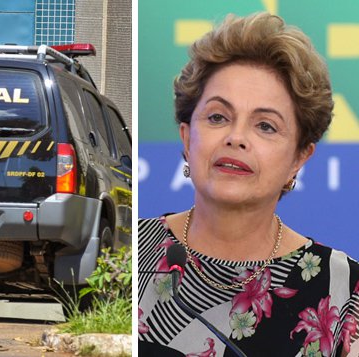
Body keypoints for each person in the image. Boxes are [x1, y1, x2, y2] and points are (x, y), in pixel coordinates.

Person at [137, 12, 359, 356]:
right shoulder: (131, 254)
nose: (236, 137)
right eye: (217, 117)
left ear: (299, 157)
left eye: (266, 126)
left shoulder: (343, 290)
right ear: (186, 137)